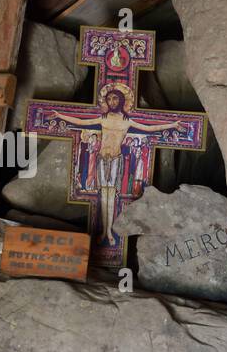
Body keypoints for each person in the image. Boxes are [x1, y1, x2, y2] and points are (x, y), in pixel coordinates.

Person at [48, 84, 188, 247]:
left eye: (115, 98)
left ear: (121, 100)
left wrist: (171, 125)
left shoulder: (127, 121)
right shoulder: (103, 118)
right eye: (109, 99)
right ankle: (104, 231)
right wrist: (59, 115)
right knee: (103, 195)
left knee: (111, 197)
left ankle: (109, 231)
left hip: (115, 159)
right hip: (102, 159)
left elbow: (150, 128)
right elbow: (81, 121)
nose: (112, 101)